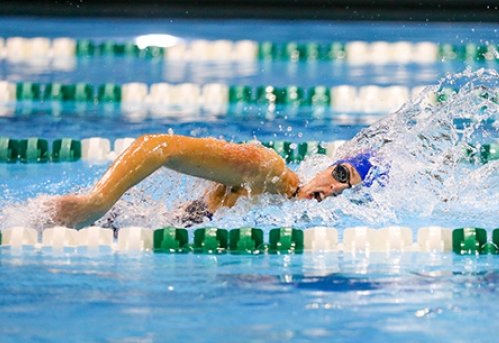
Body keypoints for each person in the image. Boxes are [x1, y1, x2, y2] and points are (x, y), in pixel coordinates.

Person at [48, 134, 381, 229]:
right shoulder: (268, 173)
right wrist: (96, 202)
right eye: (341, 174)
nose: (334, 190)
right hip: (101, 224)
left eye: (348, 193)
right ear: (329, 165)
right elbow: (158, 146)